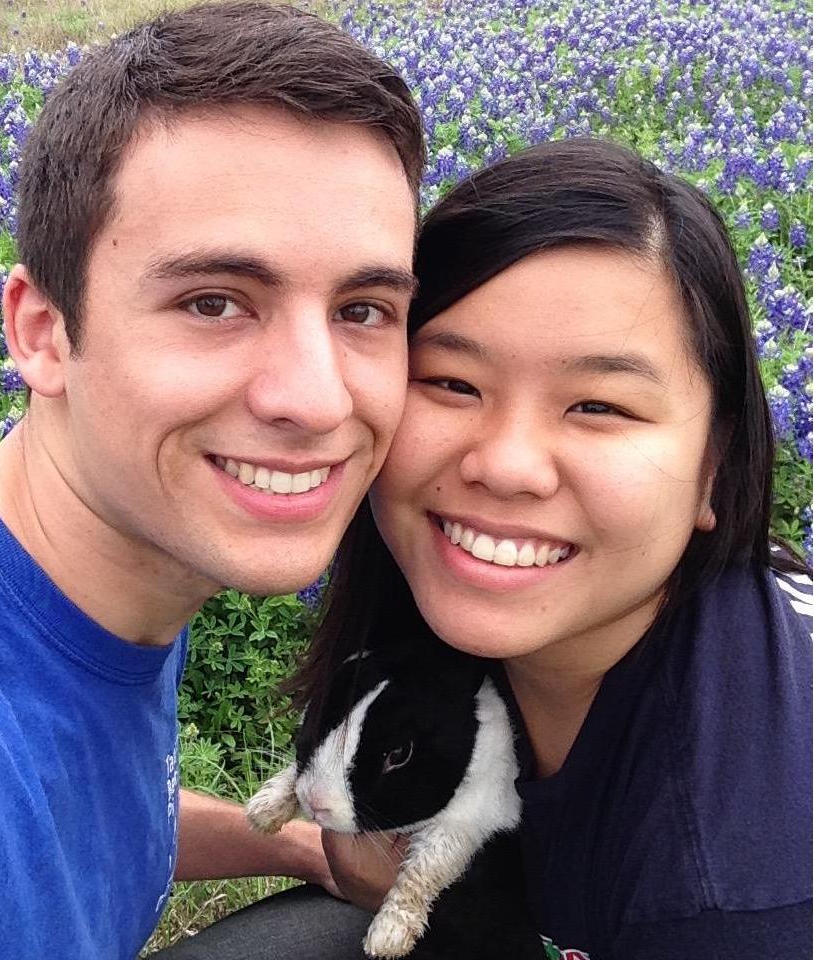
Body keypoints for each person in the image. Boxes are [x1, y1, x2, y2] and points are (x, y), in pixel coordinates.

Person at [0, 4, 425, 958]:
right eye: (212, 301)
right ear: (42, 330)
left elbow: (76, 798)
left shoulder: (98, 569)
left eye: (363, 309)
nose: (317, 399)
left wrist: (303, 846)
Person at [164, 138, 812, 959]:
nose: (505, 466)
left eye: (601, 406)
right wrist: (304, 840)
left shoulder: (739, 898)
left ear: (714, 466)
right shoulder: (457, 636)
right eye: (452, 382)